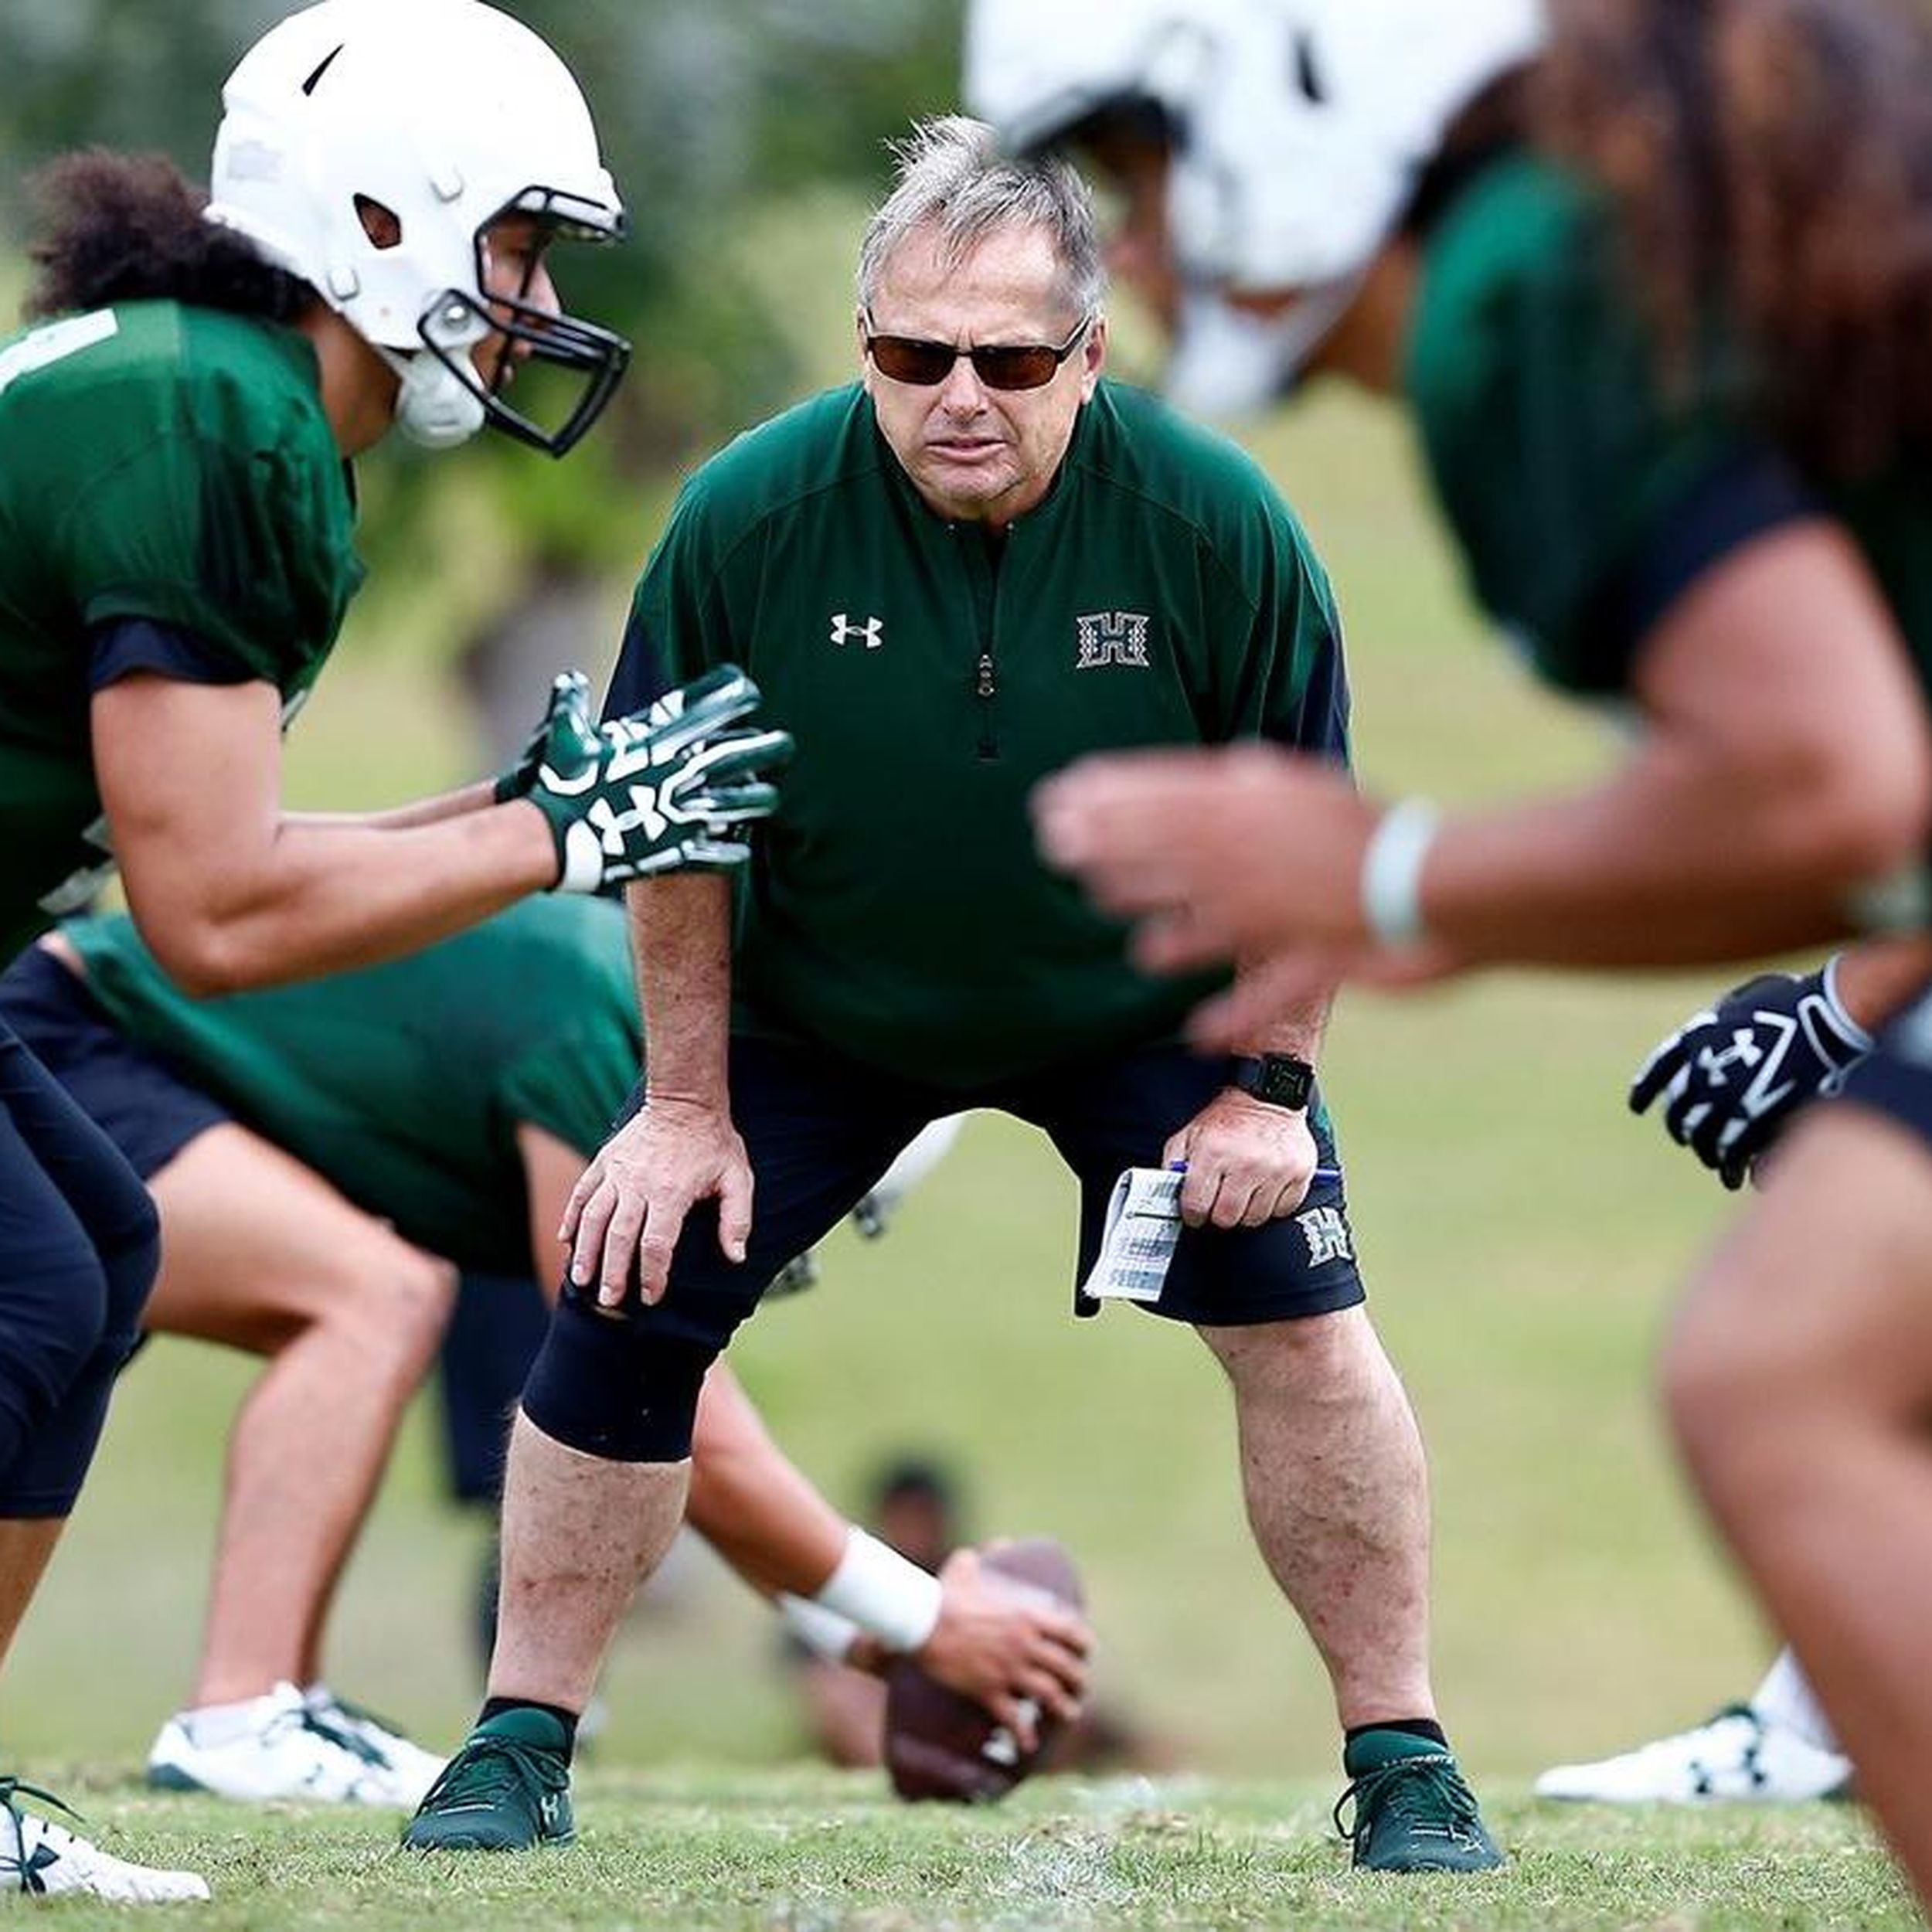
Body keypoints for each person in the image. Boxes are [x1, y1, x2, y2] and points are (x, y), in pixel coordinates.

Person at [404, 114, 1502, 1877]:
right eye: (911, 356)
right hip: (817, 1004)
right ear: (865, 349)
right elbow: (674, 834)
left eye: (1004, 357)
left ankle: (1403, 1753)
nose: (957, 395)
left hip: (1144, 1008)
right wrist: (678, 1108)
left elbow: (1313, 823)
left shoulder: (1215, 521)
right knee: (624, 1278)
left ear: (1087, 354)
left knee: (1300, 1318)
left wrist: (1266, 1093)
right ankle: (519, 1736)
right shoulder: (744, 516)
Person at [964, 0, 1932, 1901]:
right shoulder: (1620, 216)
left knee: (1781, 1375)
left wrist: (1395, 873)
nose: (1132, 256)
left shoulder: (1519, 290)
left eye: (1145, 176)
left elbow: (1834, 790)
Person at [0, 0, 793, 1900]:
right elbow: (210, 920)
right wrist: (556, 841)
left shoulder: (212, 389)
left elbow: (229, 855)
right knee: (38, 1274)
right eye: (513, 243)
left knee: (85, 1244)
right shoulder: (216, 424)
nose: (529, 300)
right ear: (379, 221)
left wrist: (496, 809)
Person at [0, 902, 1083, 1811]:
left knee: (362, 1296)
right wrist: (930, 1618)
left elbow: (645, 1442)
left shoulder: (645, 1015)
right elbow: (674, 1412)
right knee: (371, 1296)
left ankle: (272, 1707)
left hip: (130, 1056)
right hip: (80, 1040)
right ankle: (242, 1714)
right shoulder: (612, 1042)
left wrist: (863, 1634)